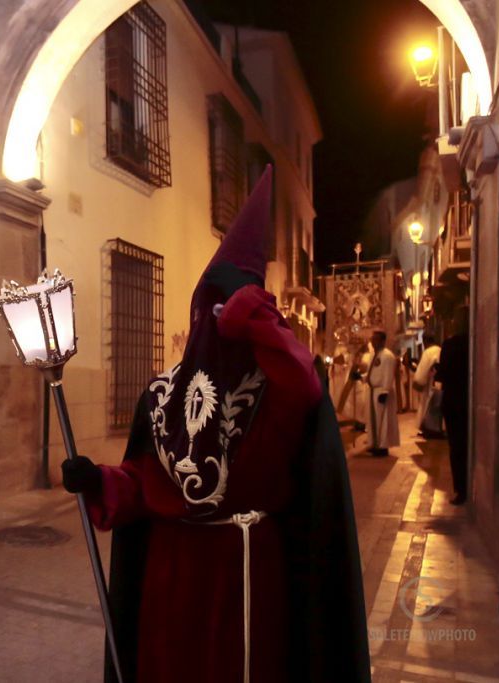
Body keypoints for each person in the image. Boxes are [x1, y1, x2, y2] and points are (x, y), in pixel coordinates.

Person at [61, 168, 370, 683]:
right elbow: (145, 482)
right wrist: (99, 481)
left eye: (235, 303)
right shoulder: (164, 393)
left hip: (246, 576)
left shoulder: (278, 388)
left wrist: (249, 308)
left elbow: (305, 381)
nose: (220, 316)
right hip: (170, 576)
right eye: (214, 302)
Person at [439, 312, 469, 504]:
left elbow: (442, 373)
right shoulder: (474, 342)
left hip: (453, 402)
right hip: (469, 400)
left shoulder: (450, 345)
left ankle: (461, 489)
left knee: (457, 447)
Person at [365, 329, 400, 456]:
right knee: (373, 420)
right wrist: (361, 377)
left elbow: (388, 374)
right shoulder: (374, 355)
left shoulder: (387, 356)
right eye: (372, 339)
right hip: (372, 391)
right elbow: (372, 373)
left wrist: (385, 391)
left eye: (376, 339)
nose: (373, 342)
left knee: (382, 420)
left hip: (381, 391)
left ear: (383, 341)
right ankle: (374, 443)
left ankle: (382, 446)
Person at [413, 334, 443, 437]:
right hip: (440, 382)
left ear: (425, 341)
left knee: (428, 405)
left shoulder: (428, 352)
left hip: (430, 383)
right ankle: (437, 428)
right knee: (438, 406)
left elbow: (423, 369)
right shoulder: (440, 350)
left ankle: (430, 428)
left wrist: (418, 380)